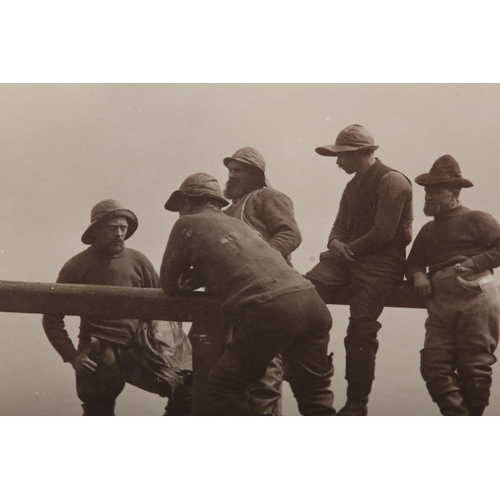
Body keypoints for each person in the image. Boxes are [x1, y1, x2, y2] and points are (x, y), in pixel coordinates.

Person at [160, 173, 335, 416]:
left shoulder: (186, 224)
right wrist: (202, 274)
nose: (179, 214)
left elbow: (168, 283)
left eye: (179, 207)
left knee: (223, 390)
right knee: (314, 395)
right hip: (312, 303)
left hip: (270, 310)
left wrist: (190, 277)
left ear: (188, 202)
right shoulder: (240, 225)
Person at [42, 199, 192, 416]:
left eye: (123, 228)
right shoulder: (76, 266)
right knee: (98, 411)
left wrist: (167, 348)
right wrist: (73, 356)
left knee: (186, 390)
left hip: (139, 346)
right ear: (96, 231)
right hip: (98, 349)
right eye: (113, 228)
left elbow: (164, 309)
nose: (119, 234)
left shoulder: (138, 261)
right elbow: (52, 318)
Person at [305, 124, 413, 416]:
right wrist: (335, 243)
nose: (338, 162)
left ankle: (356, 404)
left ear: (362, 153)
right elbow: (339, 224)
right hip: (346, 258)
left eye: (343, 156)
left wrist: (343, 249)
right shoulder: (352, 186)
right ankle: (313, 383)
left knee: (361, 330)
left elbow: (384, 234)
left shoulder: (393, 181)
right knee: (302, 299)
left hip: (381, 264)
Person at [406, 155, 500, 416]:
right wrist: (418, 276)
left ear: (455, 193)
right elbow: (412, 263)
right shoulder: (427, 231)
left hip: (476, 299)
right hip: (440, 306)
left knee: (475, 369)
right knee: (433, 367)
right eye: (426, 190)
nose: (428, 196)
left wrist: (474, 262)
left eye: (436, 191)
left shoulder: (477, 219)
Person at [221, 146, 302, 415]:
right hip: (237, 297)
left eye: (238, 171)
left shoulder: (268, 197)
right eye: (230, 171)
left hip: (268, 293)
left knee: (266, 372)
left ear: (256, 175)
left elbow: (290, 234)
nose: (231, 176)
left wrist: (262, 260)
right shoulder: (228, 211)